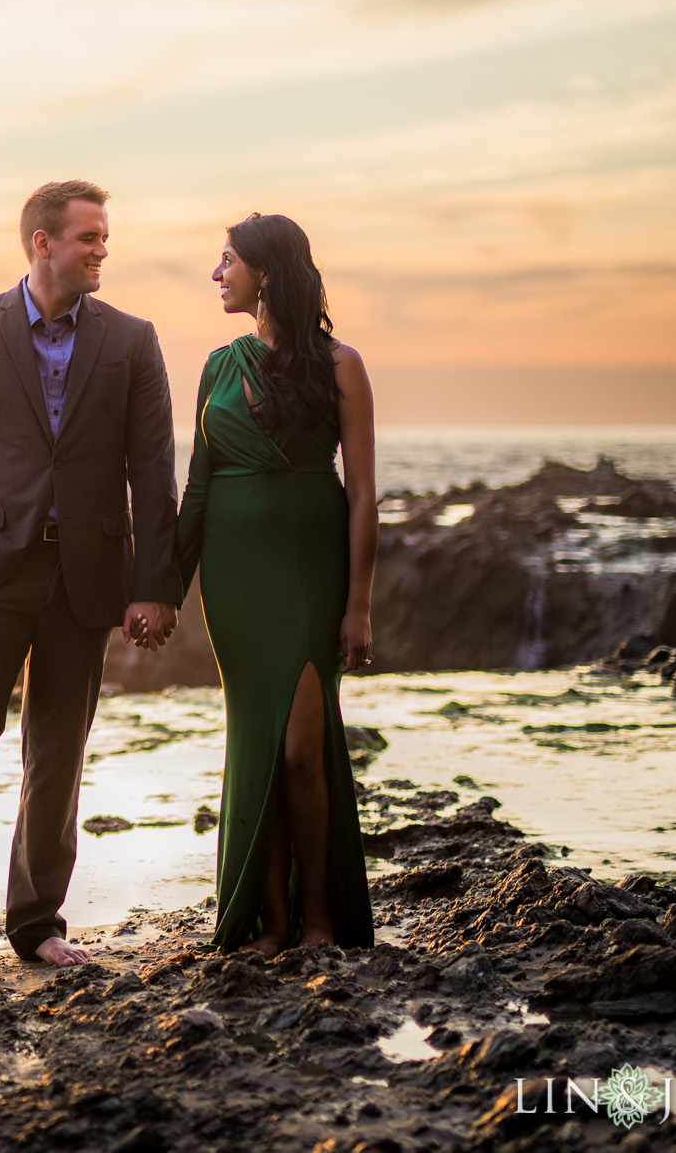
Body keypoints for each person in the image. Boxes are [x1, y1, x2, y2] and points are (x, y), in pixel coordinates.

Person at [0, 180, 181, 975]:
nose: (101, 250)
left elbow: (154, 473)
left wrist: (154, 585)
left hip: (84, 578)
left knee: (58, 751)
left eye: (104, 237)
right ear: (42, 242)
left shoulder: (132, 341)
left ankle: (36, 923)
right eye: (89, 237)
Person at [175, 212, 377, 959]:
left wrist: (359, 603)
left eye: (227, 260)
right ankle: (266, 924)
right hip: (234, 579)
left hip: (308, 568)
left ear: (266, 272)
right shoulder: (217, 366)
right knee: (257, 741)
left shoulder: (340, 363)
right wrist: (165, 586)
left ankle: (319, 917)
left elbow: (362, 493)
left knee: (301, 747)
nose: (217, 272)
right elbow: (196, 487)